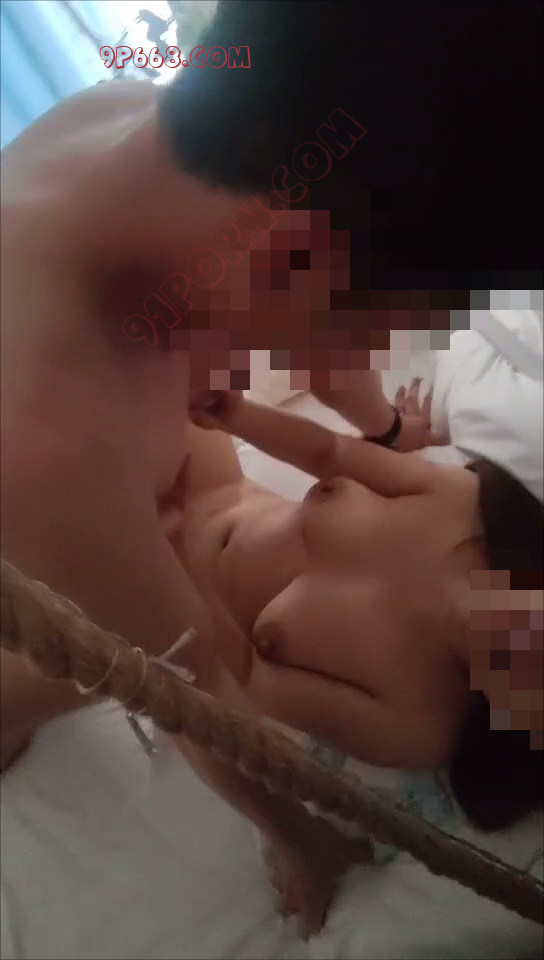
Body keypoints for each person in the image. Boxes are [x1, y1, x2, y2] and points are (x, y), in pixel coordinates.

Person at [0, 0, 542, 936]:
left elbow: (313, 334)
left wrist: (383, 428)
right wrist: (304, 841)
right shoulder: (47, 427)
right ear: (300, 257)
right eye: (404, 317)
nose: (395, 343)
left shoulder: (152, 129)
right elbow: (195, 691)